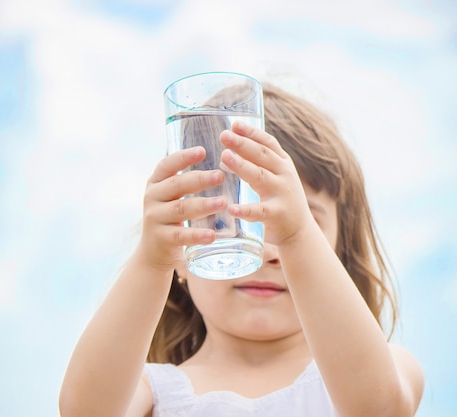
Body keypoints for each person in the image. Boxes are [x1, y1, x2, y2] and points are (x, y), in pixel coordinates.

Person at [59, 84, 424, 417]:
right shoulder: (149, 392)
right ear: (180, 263)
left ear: (338, 257)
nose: (267, 252)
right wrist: (151, 263)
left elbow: (380, 409)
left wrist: (299, 238)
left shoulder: (385, 368)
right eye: (222, 221)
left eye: (299, 225)